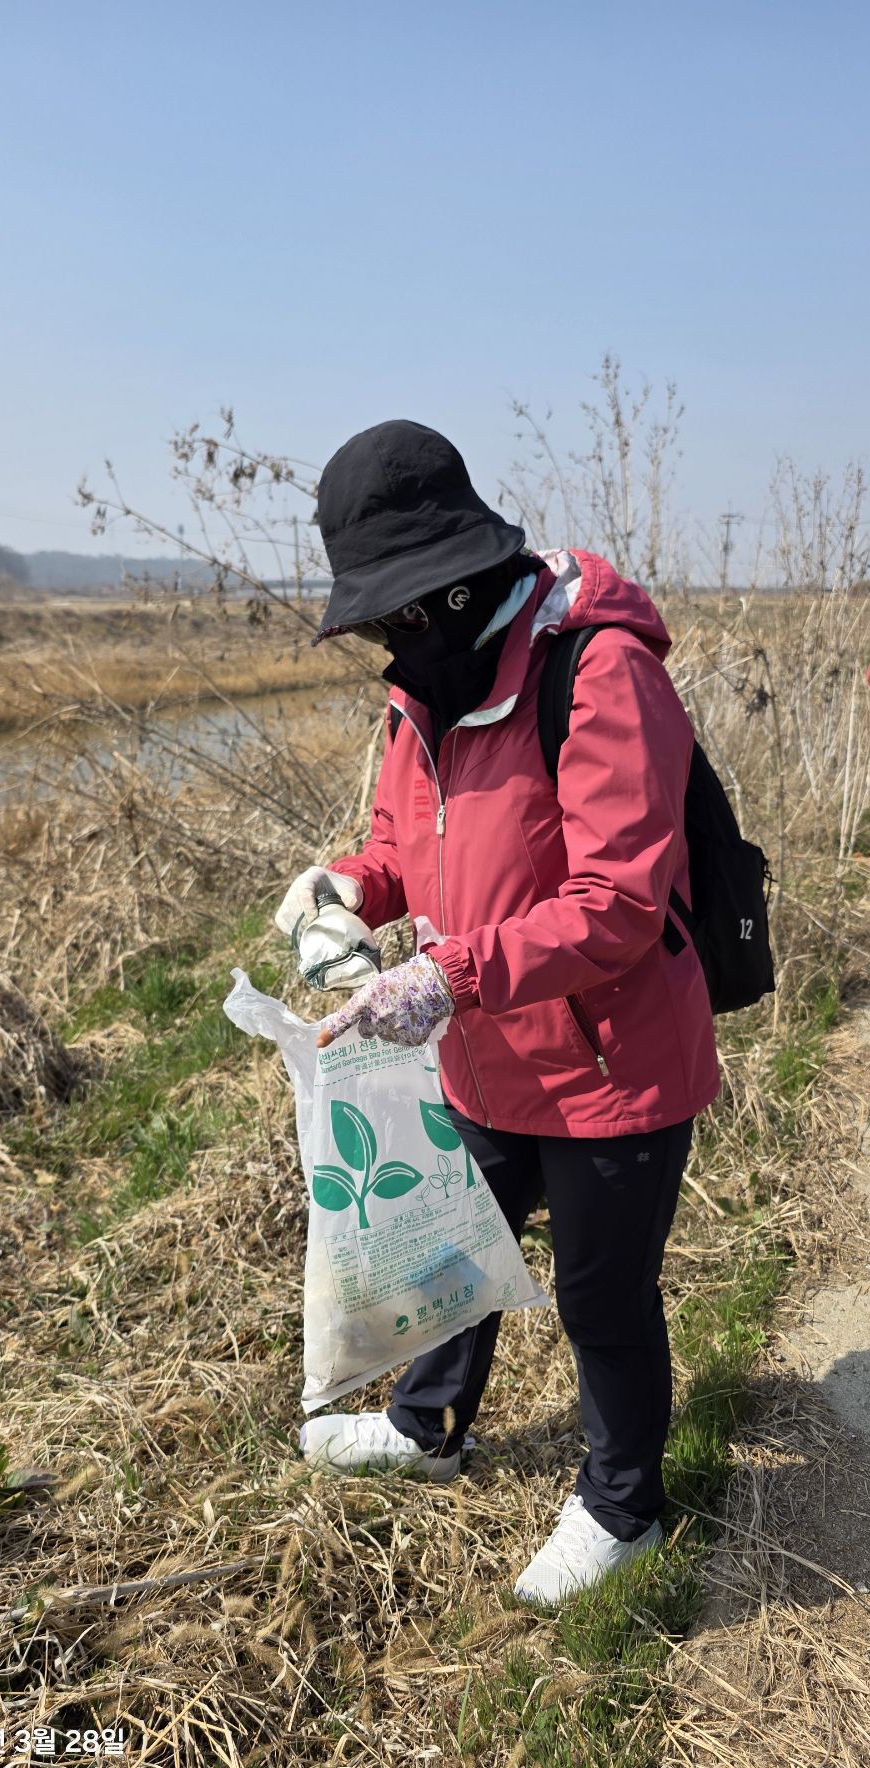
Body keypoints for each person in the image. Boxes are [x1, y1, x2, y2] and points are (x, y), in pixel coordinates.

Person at [273, 420, 720, 1605]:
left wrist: (446, 977)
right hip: (483, 1050)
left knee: (599, 1296)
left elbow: (618, 904)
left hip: (612, 1060)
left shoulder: (597, 670)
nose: (387, 641)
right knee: (452, 1251)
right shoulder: (421, 693)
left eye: (396, 616)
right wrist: (343, 889)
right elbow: (399, 847)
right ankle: (425, 1427)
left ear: (456, 586)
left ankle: (622, 1505)